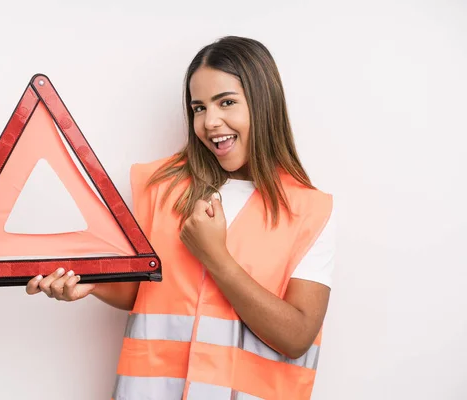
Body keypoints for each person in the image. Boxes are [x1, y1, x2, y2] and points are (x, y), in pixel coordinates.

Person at [26, 35, 335, 400]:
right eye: (199, 108)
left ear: (264, 104)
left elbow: (296, 336)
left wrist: (216, 258)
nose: (210, 122)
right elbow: (144, 292)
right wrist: (92, 285)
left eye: (227, 103)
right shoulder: (159, 185)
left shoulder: (308, 210)